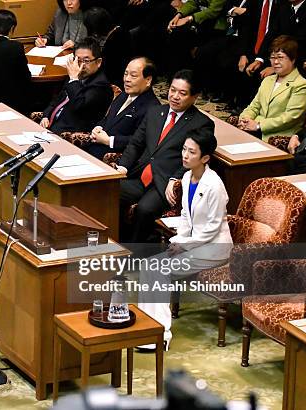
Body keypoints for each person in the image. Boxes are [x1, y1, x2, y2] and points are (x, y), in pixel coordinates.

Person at [137, 133, 233, 350]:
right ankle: (146, 327)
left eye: (192, 152)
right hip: (194, 243)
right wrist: (178, 239)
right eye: (184, 149)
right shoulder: (188, 177)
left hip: (214, 248)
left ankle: (161, 335)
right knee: (148, 266)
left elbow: (211, 229)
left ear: (205, 158)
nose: (185, 155)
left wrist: (184, 245)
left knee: (159, 270)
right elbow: (186, 217)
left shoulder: (214, 186)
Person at [116, 69, 214, 243]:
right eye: (172, 90)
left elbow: (195, 159)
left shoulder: (202, 123)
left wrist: (175, 178)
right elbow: (136, 143)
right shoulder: (155, 112)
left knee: (144, 210)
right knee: (107, 192)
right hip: (140, 175)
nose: (175, 96)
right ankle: (114, 243)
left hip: (164, 182)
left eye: (182, 93)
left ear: (194, 97)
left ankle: (135, 257)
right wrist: (122, 166)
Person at [84, 57, 160, 159]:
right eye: (125, 74)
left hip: (112, 157)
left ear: (148, 80)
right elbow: (108, 119)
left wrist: (109, 140)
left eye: (133, 76)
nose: (127, 79)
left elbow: (142, 140)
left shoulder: (153, 108)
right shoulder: (123, 95)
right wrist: (99, 127)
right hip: (92, 147)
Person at [238, 35, 306, 140]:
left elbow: (289, 118)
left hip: (279, 137)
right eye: (273, 57)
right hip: (255, 130)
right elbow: (254, 106)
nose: (275, 62)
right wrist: (244, 119)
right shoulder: (268, 80)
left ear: (293, 59)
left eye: (280, 57)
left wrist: (258, 125)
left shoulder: (301, 84)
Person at [39, 38, 113, 134]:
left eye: (86, 61)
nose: (81, 65)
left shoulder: (100, 85)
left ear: (98, 62)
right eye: (77, 60)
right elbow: (57, 100)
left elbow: (79, 105)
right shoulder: (75, 75)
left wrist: (74, 79)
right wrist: (46, 115)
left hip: (70, 134)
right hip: (50, 127)